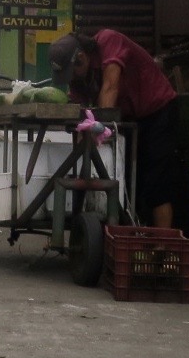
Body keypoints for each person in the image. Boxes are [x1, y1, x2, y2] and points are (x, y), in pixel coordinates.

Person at [49, 29, 179, 229]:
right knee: (123, 180)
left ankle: (163, 247)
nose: (71, 79)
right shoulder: (78, 80)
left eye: (72, 72)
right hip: (128, 118)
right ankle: (127, 234)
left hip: (157, 112)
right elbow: (80, 112)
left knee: (157, 183)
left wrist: (99, 128)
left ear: (81, 58)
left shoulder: (109, 41)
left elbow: (111, 87)